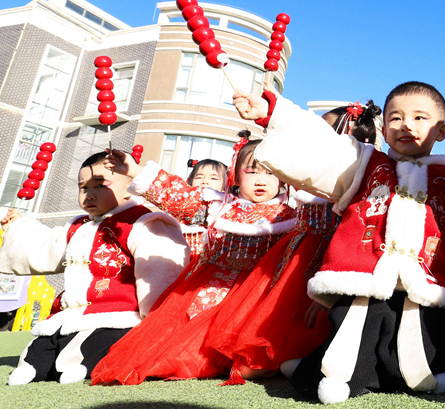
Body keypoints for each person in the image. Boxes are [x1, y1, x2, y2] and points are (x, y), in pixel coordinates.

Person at [232, 81, 445, 403]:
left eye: (420, 118)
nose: (406, 125)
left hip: (431, 294)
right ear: (384, 129)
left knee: (436, 350)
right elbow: (323, 147)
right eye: (395, 118)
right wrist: (275, 112)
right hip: (364, 289)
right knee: (349, 352)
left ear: (442, 131)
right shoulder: (362, 165)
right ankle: (322, 370)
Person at [90, 132, 296, 384]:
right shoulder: (217, 206)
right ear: (235, 174)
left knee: (253, 354)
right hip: (210, 285)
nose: (261, 180)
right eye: (252, 172)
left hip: (260, 292)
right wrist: (134, 171)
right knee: (181, 348)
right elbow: (176, 195)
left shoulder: (290, 215)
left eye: (271, 173)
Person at [206, 102, 383, 381]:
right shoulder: (305, 175)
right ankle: (275, 352)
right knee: (277, 314)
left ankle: (305, 355)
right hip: (295, 256)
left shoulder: (363, 181)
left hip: (334, 256)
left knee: (315, 319)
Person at [0, 152, 189, 385]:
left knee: (99, 341)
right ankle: (34, 366)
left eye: (100, 185)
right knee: (42, 344)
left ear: (129, 187)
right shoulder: (78, 226)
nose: (89, 194)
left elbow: (159, 273)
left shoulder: (143, 222)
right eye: (83, 187)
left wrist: (155, 321)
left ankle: (80, 365)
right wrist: (18, 226)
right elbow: (46, 247)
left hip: (117, 316)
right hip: (70, 314)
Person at [182, 159, 229, 259]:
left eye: (213, 178)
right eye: (199, 177)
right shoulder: (182, 203)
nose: (205, 181)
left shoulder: (228, 208)